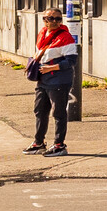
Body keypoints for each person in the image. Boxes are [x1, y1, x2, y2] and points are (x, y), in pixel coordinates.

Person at [25, 9, 77, 157]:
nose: (55, 21)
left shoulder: (65, 37)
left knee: (59, 113)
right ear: (44, 20)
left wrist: (51, 68)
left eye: (58, 19)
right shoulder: (42, 34)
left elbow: (72, 61)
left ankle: (59, 145)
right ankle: (38, 143)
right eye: (51, 18)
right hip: (43, 80)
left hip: (59, 80)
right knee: (40, 111)